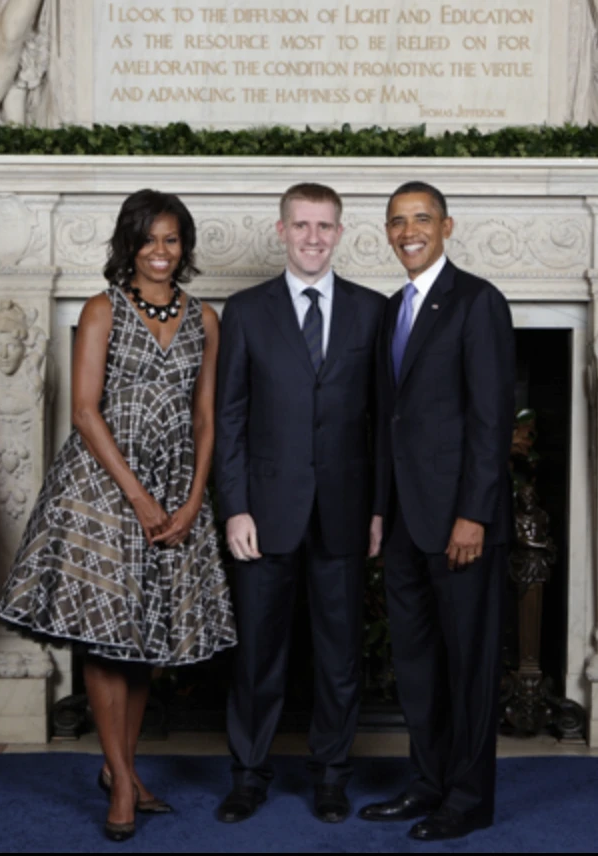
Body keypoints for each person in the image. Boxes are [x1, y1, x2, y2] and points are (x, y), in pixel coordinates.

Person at [0, 189, 236, 843]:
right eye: (149, 239)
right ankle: (124, 783)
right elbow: (84, 410)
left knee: (145, 637)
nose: (160, 251)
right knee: (106, 635)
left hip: (175, 488)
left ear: (184, 247)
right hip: (104, 491)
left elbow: (206, 416)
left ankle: (119, 768)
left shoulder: (204, 318)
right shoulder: (102, 310)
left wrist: (194, 498)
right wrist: (138, 496)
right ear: (129, 243)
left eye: (172, 239)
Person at [214, 183, 386, 825]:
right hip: (264, 513)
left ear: (340, 232)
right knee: (258, 654)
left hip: (345, 511)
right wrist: (234, 506)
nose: (314, 237)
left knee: (339, 657)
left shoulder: (373, 311)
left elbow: (383, 423)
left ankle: (332, 777)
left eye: (325, 226)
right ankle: (248, 776)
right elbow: (229, 418)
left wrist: (379, 509)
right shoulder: (245, 311)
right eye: (302, 225)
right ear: (281, 230)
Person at [359, 181, 515, 841]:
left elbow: (491, 417)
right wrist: (377, 511)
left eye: (421, 218)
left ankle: (468, 798)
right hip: (402, 522)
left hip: (459, 523)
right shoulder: (393, 309)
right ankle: (426, 783)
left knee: (468, 667)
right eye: (397, 221)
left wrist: (474, 513)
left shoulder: (478, 301)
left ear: (447, 226)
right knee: (418, 664)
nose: (408, 231)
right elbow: (386, 421)